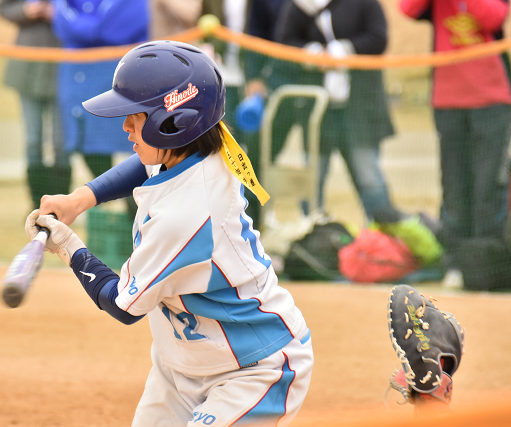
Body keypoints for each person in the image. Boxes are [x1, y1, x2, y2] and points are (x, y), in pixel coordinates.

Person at [26, 40, 313, 427]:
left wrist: (67, 246)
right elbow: (143, 164)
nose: (126, 125)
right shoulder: (199, 147)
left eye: (136, 115)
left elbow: (121, 305)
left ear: (172, 123)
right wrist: (80, 199)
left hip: (255, 367)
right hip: (181, 366)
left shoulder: (187, 216)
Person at [400, 0, 511, 290]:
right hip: (448, 100)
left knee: (487, 186)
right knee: (454, 187)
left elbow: (493, 18)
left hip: (491, 99)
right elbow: (407, 9)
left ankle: (489, 263)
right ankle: (456, 261)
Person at [274, 0, 396, 223]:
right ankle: (312, 233)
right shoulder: (300, 6)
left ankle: (384, 237)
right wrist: (312, 53)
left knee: (369, 177)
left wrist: (342, 50)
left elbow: (378, 39)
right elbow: (285, 41)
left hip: (359, 106)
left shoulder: (364, 4)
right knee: (313, 176)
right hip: (317, 111)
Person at [51, 0, 147, 191]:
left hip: (123, 78)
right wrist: (89, 26)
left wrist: (81, 28)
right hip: (78, 79)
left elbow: (115, 27)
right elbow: (62, 23)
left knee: (131, 147)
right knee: (88, 147)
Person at [0, 0, 70, 210]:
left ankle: (61, 208)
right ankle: (36, 206)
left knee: (61, 143)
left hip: (63, 67)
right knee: (33, 140)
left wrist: (58, 14)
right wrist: (26, 11)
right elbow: (4, 8)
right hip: (27, 66)